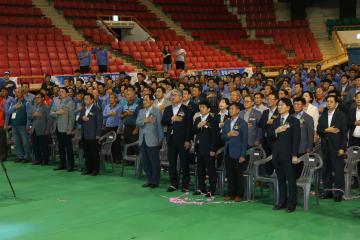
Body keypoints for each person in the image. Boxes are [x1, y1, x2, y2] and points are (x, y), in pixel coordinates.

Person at [269, 98, 300, 212]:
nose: (279, 107)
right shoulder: (276, 121)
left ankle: (292, 203)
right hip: (277, 155)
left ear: (288, 107)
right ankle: (282, 201)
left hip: (288, 155)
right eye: (278, 105)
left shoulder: (294, 121)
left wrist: (294, 155)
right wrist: (276, 131)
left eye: (282, 105)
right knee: (281, 179)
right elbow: (269, 136)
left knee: (291, 180)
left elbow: (296, 139)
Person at [161, 89, 192, 192]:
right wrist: (171, 119)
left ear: (180, 97)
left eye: (175, 95)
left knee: (184, 163)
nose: (172, 97)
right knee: (172, 163)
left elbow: (189, 126)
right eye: (172, 95)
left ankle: (185, 185)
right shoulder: (168, 109)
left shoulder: (186, 109)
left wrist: (188, 140)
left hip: (183, 140)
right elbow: (163, 121)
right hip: (171, 139)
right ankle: (173, 183)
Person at [317, 95, 347, 202]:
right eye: (327, 102)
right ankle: (328, 191)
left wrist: (342, 148)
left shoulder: (341, 115)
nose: (329, 103)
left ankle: (339, 193)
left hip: (337, 147)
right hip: (325, 147)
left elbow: (344, 133)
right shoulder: (323, 115)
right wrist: (327, 130)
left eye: (331, 102)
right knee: (326, 170)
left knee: (338, 171)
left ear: (336, 104)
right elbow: (318, 130)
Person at [221, 103, 248, 202]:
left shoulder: (243, 123)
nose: (230, 110)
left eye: (232, 108)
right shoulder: (227, 122)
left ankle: (239, 194)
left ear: (238, 110)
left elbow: (245, 140)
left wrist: (243, 155)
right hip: (228, 151)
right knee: (230, 174)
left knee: (238, 174)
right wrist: (229, 134)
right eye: (229, 109)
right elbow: (222, 137)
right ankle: (231, 193)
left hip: (238, 152)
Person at [136, 94, 164, 188]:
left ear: (152, 101)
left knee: (154, 161)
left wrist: (161, 138)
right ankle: (149, 179)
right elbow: (137, 123)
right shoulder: (141, 111)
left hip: (153, 139)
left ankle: (155, 181)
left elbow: (160, 126)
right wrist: (145, 121)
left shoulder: (157, 111)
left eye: (146, 100)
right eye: (144, 100)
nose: (144, 102)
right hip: (142, 140)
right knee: (145, 161)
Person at [193, 100, 218, 197]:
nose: (201, 109)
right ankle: (201, 188)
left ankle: (212, 190)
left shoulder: (213, 120)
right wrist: (198, 126)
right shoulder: (198, 119)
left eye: (203, 107)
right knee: (200, 169)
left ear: (208, 109)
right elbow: (193, 131)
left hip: (208, 149)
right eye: (200, 107)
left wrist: (213, 149)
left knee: (211, 170)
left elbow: (215, 136)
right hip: (199, 147)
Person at [50, 87, 75, 171]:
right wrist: (58, 112)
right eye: (59, 91)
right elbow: (51, 113)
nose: (60, 93)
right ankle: (62, 164)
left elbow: (72, 117)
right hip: (57, 127)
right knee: (60, 147)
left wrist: (70, 129)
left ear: (67, 93)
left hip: (66, 128)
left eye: (62, 91)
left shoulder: (69, 102)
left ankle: (71, 165)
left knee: (68, 148)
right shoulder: (56, 100)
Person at [78, 93, 102, 176]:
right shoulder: (83, 109)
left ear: (92, 100)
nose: (85, 100)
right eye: (84, 99)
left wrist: (98, 135)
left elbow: (99, 122)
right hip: (84, 134)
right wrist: (82, 118)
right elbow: (79, 121)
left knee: (94, 153)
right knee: (87, 153)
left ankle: (96, 170)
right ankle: (88, 169)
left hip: (93, 135)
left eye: (87, 99)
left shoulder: (96, 109)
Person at [292, 97, 314, 178]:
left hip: (303, 147)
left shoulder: (308, 118)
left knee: (301, 168)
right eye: (294, 104)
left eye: (298, 104)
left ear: (303, 106)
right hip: (292, 147)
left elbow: (311, 134)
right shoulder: (291, 116)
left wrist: (309, 147)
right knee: (293, 169)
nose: (296, 106)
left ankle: (301, 186)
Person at [8, 88, 31, 163]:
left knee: (25, 142)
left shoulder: (27, 103)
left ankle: (26, 157)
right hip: (14, 125)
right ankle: (20, 156)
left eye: (18, 92)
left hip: (23, 125)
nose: (17, 94)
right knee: (16, 142)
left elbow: (29, 115)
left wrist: (28, 125)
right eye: (16, 92)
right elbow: (8, 112)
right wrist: (14, 107)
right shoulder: (13, 102)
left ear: (22, 93)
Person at [28, 93, 50, 165]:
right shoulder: (33, 107)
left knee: (43, 146)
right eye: (36, 98)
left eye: (38, 97)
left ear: (43, 98)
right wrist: (34, 116)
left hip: (43, 128)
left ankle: (45, 160)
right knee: (35, 145)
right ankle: (38, 159)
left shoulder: (46, 107)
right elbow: (29, 117)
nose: (37, 99)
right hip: (34, 128)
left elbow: (49, 119)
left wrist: (47, 129)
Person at [103, 93, 123, 163]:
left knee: (116, 143)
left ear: (116, 99)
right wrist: (109, 114)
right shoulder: (107, 106)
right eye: (110, 98)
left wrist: (119, 128)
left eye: (112, 98)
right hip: (108, 127)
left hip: (116, 127)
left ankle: (118, 158)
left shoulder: (119, 107)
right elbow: (104, 115)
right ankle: (112, 158)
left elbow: (121, 118)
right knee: (109, 142)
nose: (110, 99)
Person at [348, 91, 360, 177]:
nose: (359, 99)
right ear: (355, 99)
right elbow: (347, 124)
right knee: (355, 160)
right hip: (354, 140)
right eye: (357, 97)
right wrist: (355, 123)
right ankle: (355, 180)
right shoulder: (352, 111)